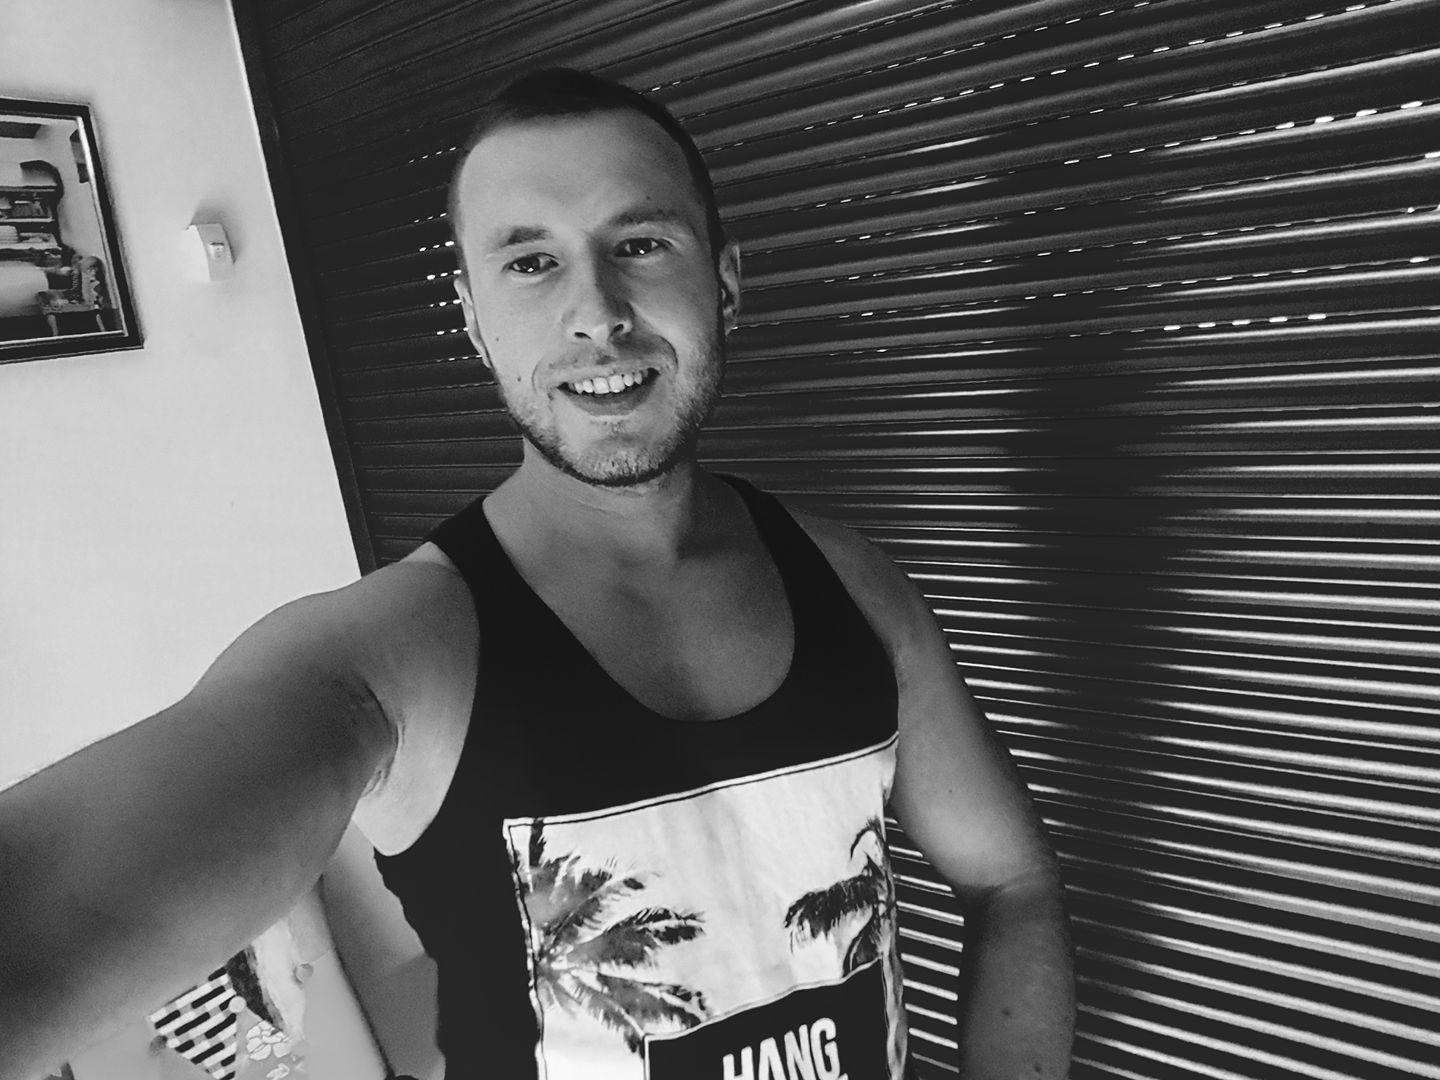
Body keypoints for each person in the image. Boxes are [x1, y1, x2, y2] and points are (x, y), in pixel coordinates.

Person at [0, 69, 1073, 1080]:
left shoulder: (853, 582)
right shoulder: (390, 655)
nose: (596, 311)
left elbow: (1011, 879)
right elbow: (51, 910)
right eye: (529, 262)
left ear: (725, 281)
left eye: (640, 243)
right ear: (472, 318)